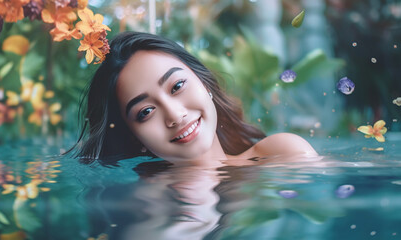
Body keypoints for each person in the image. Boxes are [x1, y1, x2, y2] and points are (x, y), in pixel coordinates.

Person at [74, 31, 317, 166]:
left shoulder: (280, 154)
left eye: (177, 86)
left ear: (205, 84)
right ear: (134, 135)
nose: (175, 115)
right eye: (145, 112)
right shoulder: (153, 206)